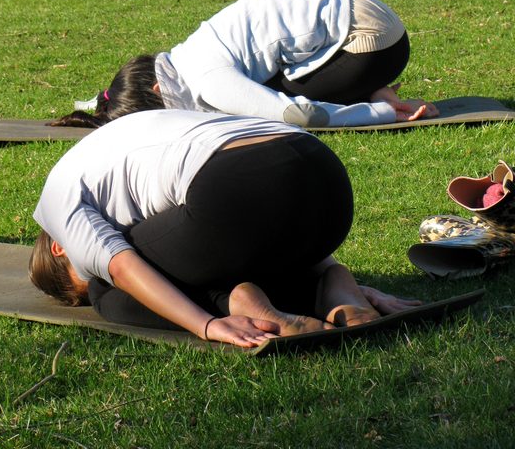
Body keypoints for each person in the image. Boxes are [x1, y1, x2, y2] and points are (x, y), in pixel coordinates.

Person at [30, 109, 420, 349]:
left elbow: (120, 270)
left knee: (105, 291)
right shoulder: (113, 144)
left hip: (237, 191)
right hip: (326, 183)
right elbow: (270, 198)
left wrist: (208, 324)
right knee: (206, 240)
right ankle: (335, 285)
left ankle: (235, 300)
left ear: (61, 249)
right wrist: (320, 261)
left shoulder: (57, 200)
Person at [53, 0, 438, 130]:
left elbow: (302, 115)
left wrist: (383, 116)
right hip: (367, 20)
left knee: (274, 101)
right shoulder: (191, 52)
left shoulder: (208, 79)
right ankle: (375, 88)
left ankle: (380, 96)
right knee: (265, 89)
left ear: (158, 88)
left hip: (371, 42)